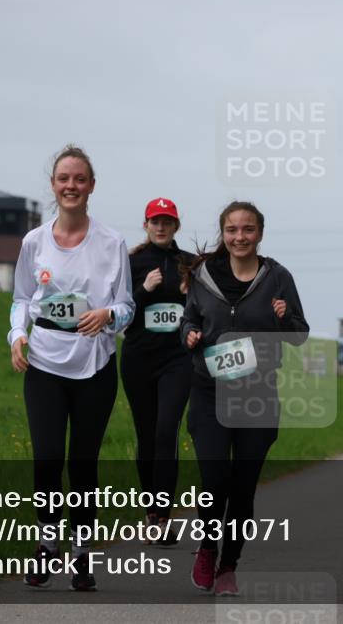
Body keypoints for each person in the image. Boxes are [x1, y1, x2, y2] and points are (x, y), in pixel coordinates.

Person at [9, 145, 135, 591]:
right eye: (64, 178)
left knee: (82, 463)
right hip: (44, 359)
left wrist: (108, 317)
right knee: (47, 459)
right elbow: (22, 298)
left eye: (79, 179)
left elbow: (127, 306)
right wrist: (17, 335)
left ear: (92, 186)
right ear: (53, 185)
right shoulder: (34, 242)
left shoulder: (112, 243)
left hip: (94, 365)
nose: (71, 186)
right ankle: (46, 544)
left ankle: (80, 551)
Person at [180, 201, 309, 596]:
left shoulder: (278, 277)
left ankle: (228, 567)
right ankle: (207, 547)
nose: (240, 237)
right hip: (209, 391)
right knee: (215, 479)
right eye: (232, 230)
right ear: (223, 233)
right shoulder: (203, 276)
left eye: (248, 229)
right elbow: (189, 318)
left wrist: (285, 317)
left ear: (260, 234)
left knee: (242, 487)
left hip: (258, 394)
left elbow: (299, 334)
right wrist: (188, 334)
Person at [121, 198, 195, 545]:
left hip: (177, 360)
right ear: (146, 225)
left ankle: (164, 518)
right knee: (147, 435)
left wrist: (189, 297)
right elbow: (120, 315)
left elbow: (203, 313)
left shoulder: (190, 265)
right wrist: (144, 290)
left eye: (167, 222)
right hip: (138, 358)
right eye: (155, 221)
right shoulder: (132, 262)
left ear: (176, 226)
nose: (161, 227)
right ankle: (149, 512)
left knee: (167, 432)